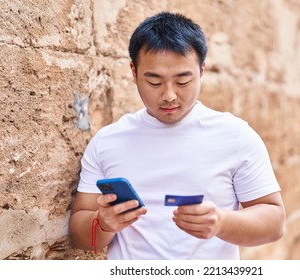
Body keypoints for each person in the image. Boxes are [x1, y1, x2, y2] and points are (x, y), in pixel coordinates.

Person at [69, 11, 285, 260]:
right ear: (133, 72)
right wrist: (103, 224)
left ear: (202, 71)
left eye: (183, 81)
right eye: (154, 82)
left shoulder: (236, 136)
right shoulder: (107, 141)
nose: (169, 95)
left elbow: (275, 222)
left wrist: (223, 223)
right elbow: (81, 236)